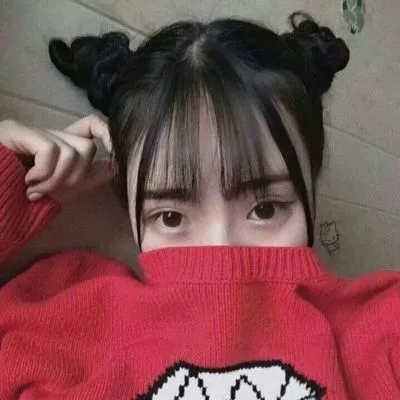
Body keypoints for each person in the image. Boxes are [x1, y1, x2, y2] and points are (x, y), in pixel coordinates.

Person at [0, 12, 398, 400]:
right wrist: (11, 186)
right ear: (130, 207)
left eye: (265, 209)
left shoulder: (381, 331)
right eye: (171, 217)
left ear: (310, 187)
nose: (221, 251)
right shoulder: (68, 323)